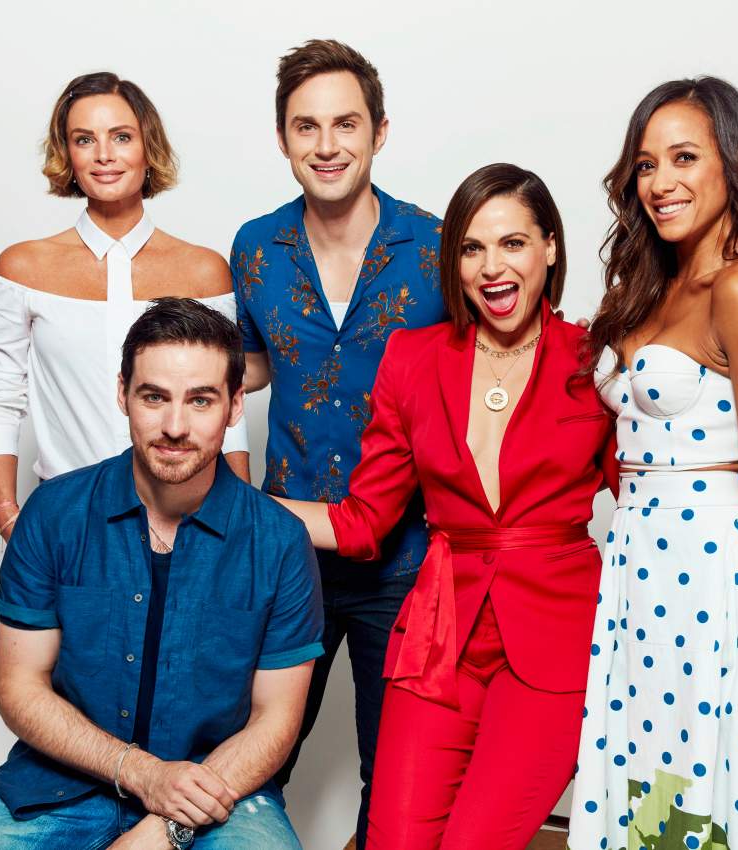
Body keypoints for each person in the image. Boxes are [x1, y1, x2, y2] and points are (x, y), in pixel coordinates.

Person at [275, 164, 619, 850]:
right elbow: (362, 521)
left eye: (514, 244)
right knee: (393, 841)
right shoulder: (412, 358)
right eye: (472, 248)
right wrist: (232, 504)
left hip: (554, 643)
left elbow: (646, 503)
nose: (493, 267)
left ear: (550, 248)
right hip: (438, 638)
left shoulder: (596, 360)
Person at [570, 77, 738, 850]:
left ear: (731, 162)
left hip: (712, 580)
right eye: (646, 164)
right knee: (655, 790)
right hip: (635, 577)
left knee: (723, 790)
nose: (661, 183)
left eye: (684, 158)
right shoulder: (649, 284)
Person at [0, 299, 323, 850]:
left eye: (201, 400)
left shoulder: (280, 541)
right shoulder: (53, 514)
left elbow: (276, 720)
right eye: (154, 397)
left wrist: (168, 826)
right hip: (61, 783)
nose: (175, 426)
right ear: (122, 394)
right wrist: (141, 773)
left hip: (219, 790)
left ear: (236, 405)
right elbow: (18, 687)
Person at [230, 39, 446, 848]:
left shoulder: (436, 247)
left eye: (345, 124)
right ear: (283, 139)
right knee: (253, 758)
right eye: (306, 127)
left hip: (411, 558)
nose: (327, 146)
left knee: (395, 777)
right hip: (290, 558)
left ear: (380, 131)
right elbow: (240, 372)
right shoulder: (255, 248)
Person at [0, 71, 249, 541]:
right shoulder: (21, 268)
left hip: (190, 518)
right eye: (85, 139)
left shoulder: (204, 271)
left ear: (148, 148)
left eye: (121, 137)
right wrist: (6, 513)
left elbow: (225, 400)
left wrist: (241, 521)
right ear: (68, 154)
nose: (104, 155)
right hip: (67, 516)